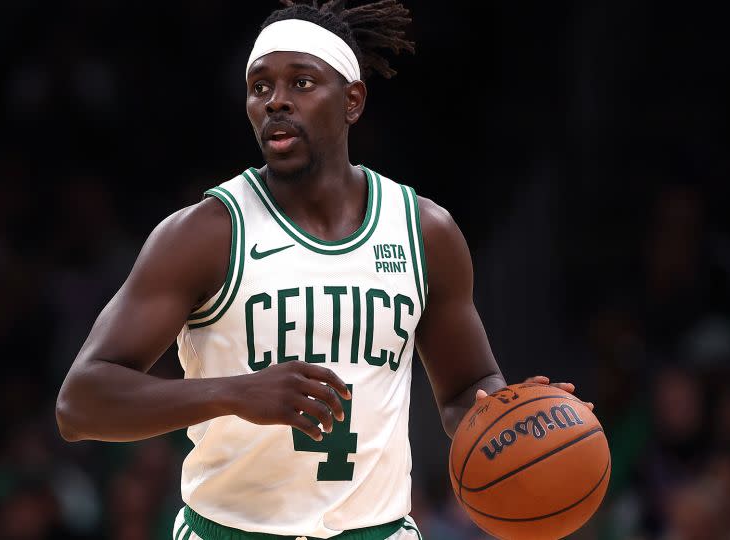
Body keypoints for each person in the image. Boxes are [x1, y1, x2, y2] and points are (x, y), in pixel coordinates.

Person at [55, 1, 587, 538]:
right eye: (260, 87)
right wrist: (233, 392)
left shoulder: (425, 231)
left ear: (352, 100)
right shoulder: (205, 233)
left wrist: (502, 411)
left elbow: (464, 388)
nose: (277, 101)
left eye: (302, 83)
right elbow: (80, 404)